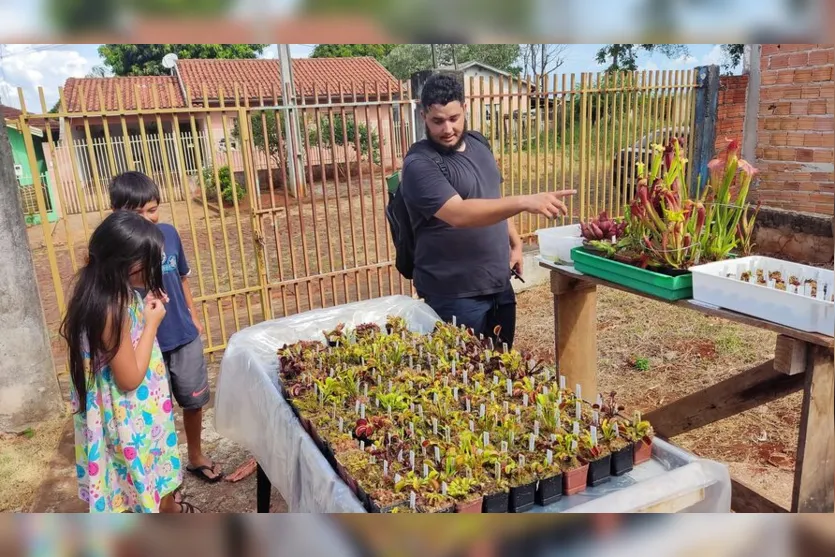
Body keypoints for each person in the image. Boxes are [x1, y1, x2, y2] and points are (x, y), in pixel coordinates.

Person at [401, 73, 574, 347]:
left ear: (465, 110)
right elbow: (458, 213)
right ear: (424, 116)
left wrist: (514, 243)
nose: (447, 129)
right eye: (437, 121)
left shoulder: (479, 143)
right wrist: (524, 201)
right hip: (454, 295)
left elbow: (492, 196)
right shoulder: (419, 164)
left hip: (498, 283)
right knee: (465, 379)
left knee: (502, 365)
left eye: (454, 118)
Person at [60, 211, 198, 512]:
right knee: (145, 483)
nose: (152, 267)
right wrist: (151, 323)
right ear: (125, 264)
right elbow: (130, 378)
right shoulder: (112, 308)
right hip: (131, 416)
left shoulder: (97, 288)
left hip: (132, 414)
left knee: (146, 485)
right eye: (147, 262)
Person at [109, 171, 223, 483]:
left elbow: (182, 277)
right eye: (136, 213)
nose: (147, 218)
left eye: (152, 209)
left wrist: (192, 315)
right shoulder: (115, 250)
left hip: (183, 336)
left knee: (193, 401)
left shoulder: (170, 234)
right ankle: (162, 479)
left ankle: (195, 456)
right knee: (153, 415)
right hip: (144, 344)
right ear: (115, 212)